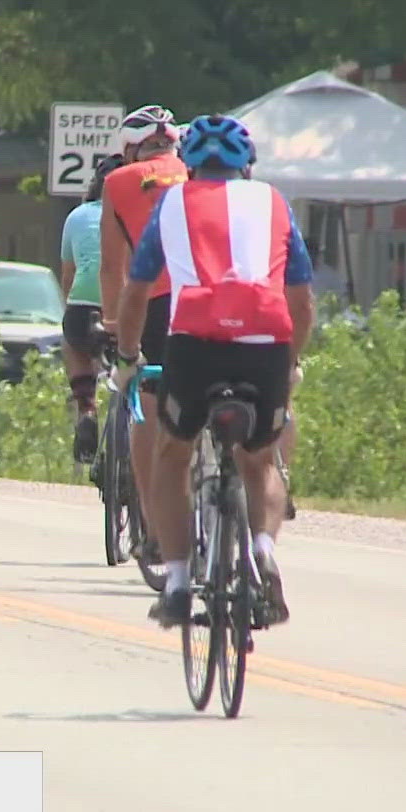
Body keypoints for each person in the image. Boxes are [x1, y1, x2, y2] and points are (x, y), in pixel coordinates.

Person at [115, 114, 312, 629]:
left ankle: (177, 583)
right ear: (247, 166)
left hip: (195, 343)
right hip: (264, 343)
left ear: (189, 164)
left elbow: (136, 292)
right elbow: (302, 298)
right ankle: (265, 549)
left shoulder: (169, 204)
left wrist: (128, 354)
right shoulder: (275, 203)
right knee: (261, 461)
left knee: (172, 454)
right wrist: (292, 361)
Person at [97, 105, 189, 564]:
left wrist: (115, 325)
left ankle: (155, 530)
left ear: (129, 149)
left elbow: (114, 268)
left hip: (156, 302)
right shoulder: (203, 174)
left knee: (144, 400)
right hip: (218, 298)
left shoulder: (119, 183)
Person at [58, 153, 125, 463]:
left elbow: (69, 276)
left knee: (73, 343)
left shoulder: (78, 215)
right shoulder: (147, 210)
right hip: (128, 305)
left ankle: (86, 405)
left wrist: (69, 311)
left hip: (83, 306)